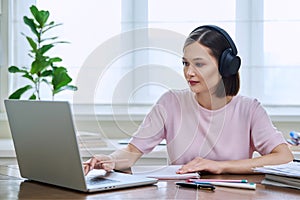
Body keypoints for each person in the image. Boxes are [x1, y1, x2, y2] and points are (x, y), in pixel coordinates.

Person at [83, 25, 293, 175]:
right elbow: (131, 152)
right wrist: (110, 160)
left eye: (199, 64)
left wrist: (221, 166)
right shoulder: (171, 103)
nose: (189, 72)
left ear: (225, 67)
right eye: (185, 63)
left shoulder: (249, 110)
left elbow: (284, 156)